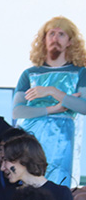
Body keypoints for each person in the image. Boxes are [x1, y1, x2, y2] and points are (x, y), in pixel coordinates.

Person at [12, 16, 86, 187]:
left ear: (70, 42)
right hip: (31, 135)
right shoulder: (30, 73)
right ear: (44, 39)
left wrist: (52, 91)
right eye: (51, 33)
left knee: (57, 186)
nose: (55, 38)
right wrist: (54, 108)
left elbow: (84, 107)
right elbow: (17, 111)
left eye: (61, 34)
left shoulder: (80, 72)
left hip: (62, 138)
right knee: (28, 184)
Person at [1, 134, 76, 200]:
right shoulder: (9, 193)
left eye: (6, 160)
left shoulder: (61, 194)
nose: (2, 167)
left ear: (23, 159)